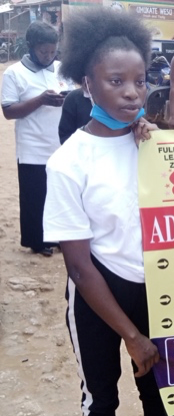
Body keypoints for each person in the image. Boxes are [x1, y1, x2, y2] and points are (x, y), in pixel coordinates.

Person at [43, 8, 174, 416]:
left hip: (153, 287)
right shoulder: (68, 162)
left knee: (159, 387)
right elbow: (79, 267)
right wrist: (132, 336)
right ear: (87, 84)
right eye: (116, 80)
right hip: (98, 294)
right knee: (101, 397)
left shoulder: (153, 144)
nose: (132, 92)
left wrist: (158, 150)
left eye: (139, 80)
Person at [2, 21, 66, 256]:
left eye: (52, 51)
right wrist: (40, 100)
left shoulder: (61, 68)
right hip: (32, 145)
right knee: (35, 196)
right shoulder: (14, 73)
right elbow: (9, 111)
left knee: (59, 194)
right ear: (30, 46)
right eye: (43, 52)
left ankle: (58, 237)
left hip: (60, 143)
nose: (49, 56)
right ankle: (37, 241)